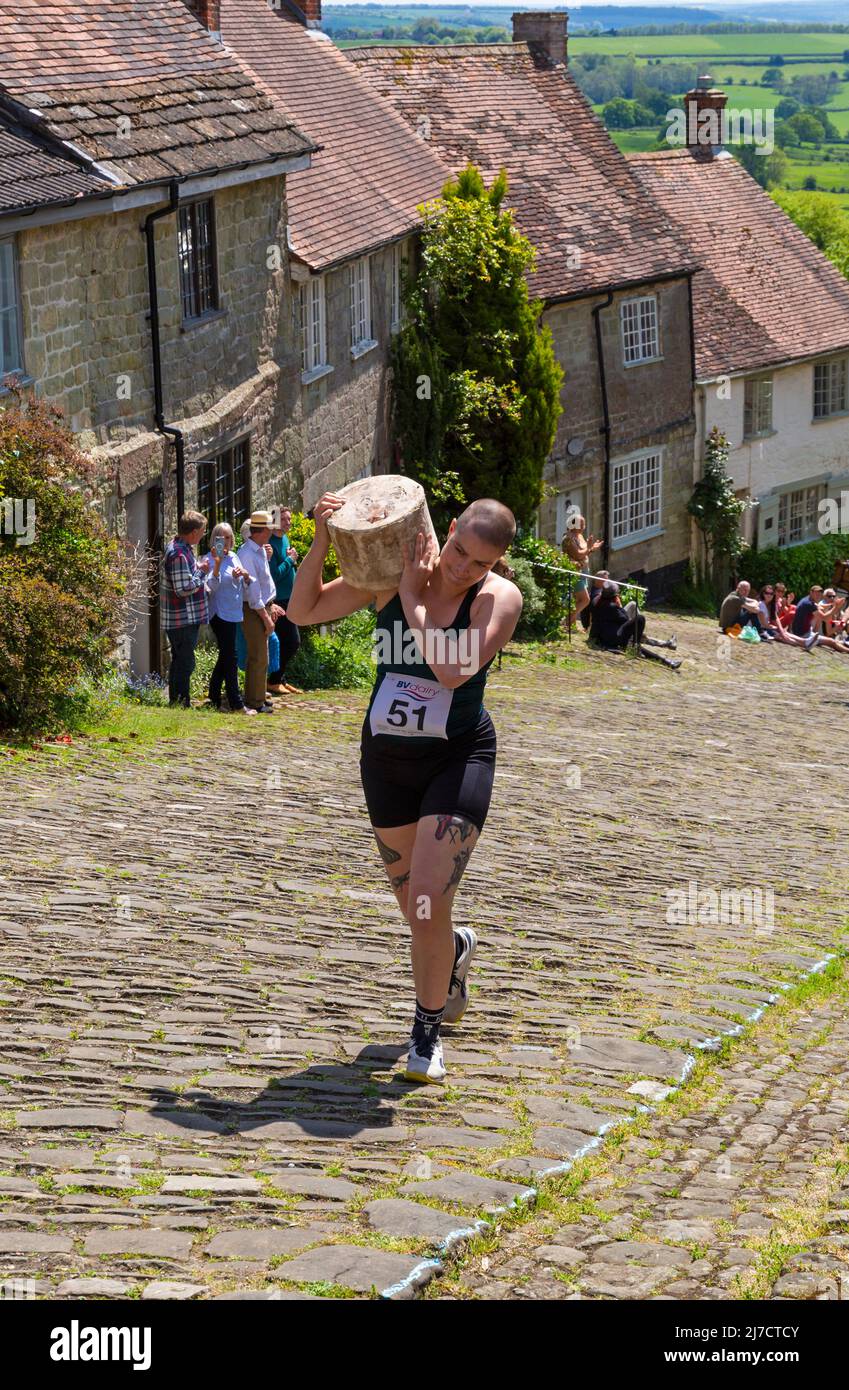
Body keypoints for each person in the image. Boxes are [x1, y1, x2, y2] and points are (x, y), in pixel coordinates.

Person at [287, 494, 524, 1086]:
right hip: (388, 760)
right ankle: (455, 947)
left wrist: (415, 601)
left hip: (457, 756)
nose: (462, 568)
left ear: (496, 565)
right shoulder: (392, 576)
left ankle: (426, 1033)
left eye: (479, 563)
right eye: (459, 551)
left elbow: (452, 669)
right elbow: (302, 611)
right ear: (448, 531)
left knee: (425, 899)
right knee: (421, 912)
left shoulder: (498, 600)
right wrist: (321, 540)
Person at [202, 522, 256, 716]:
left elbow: (246, 583)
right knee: (230, 656)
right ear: (214, 539)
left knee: (225, 656)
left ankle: (214, 697)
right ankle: (236, 703)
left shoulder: (234, 557)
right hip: (219, 613)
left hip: (234, 612)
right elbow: (210, 588)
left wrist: (244, 575)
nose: (225, 541)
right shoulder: (209, 559)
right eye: (220, 537)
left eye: (228, 537)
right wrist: (216, 566)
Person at [162, 510, 211, 707]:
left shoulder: (183, 549)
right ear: (192, 532)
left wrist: (197, 569)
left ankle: (177, 701)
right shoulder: (178, 553)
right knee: (185, 662)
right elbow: (183, 589)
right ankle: (181, 702)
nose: (203, 535)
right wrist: (202, 571)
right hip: (181, 619)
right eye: (202, 531)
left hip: (183, 618)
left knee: (180, 660)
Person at [237, 510, 284, 712]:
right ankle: (254, 701)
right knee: (258, 656)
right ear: (262, 531)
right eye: (269, 529)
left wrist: (270, 604)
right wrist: (266, 617)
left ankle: (257, 696)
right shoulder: (248, 554)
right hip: (253, 609)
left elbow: (264, 584)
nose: (272, 532)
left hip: (260, 606)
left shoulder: (258, 550)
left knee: (261, 654)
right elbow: (253, 591)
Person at [589, 581, 680, 668]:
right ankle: (638, 646)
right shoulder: (612, 607)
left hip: (605, 637)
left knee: (638, 646)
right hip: (614, 638)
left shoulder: (596, 602)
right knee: (640, 619)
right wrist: (619, 605)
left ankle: (668, 662)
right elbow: (625, 619)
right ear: (614, 596)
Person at [267, 505, 302, 695]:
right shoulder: (270, 543)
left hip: (291, 597)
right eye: (284, 519)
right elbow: (274, 575)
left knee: (286, 641)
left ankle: (279, 679)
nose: (289, 522)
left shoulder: (284, 538)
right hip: (278, 601)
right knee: (291, 641)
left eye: (289, 519)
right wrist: (291, 560)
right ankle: (273, 680)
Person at [561, 511, 602, 630]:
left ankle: (571, 626)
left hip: (583, 571)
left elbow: (584, 553)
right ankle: (566, 621)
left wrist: (592, 549)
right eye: (582, 525)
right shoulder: (568, 538)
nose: (584, 527)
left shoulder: (579, 536)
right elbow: (578, 555)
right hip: (575, 572)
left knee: (577, 600)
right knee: (585, 600)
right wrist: (589, 548)